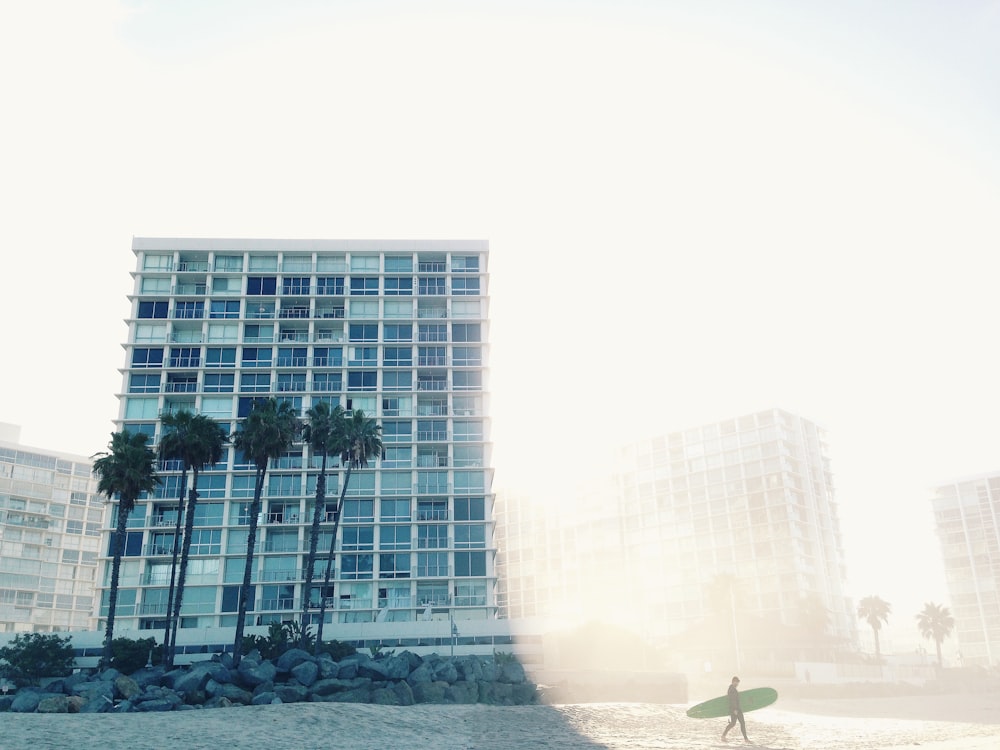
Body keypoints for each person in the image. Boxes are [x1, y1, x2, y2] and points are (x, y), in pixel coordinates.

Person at [721, 675, 750, 742]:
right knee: (741, 723)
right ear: (733, 682)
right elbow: (733, 700)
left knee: (733, 723)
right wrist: (735, 709)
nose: (737, 684)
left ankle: (723, 736)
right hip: (736, 709)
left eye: (738, 682)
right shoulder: (732, 689)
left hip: (735, 709)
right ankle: (746, 739)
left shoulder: (732, 688)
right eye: (736, 682)